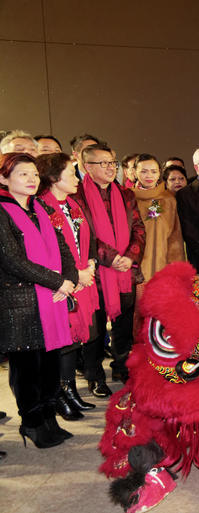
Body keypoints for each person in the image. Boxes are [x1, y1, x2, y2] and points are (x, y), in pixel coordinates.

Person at [0, 153, 77, 448]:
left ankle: (48, 416)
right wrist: (58, 281)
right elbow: (12, 260)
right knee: (27, 366)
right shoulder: (2, 212)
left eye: (34, 174)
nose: (31, 179)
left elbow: (64, 249)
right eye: (22, 174)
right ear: (4, 179)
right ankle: (31, 422)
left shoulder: (40, 209)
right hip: (19, 302)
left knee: (49, 364)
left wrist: (68, 279)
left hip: (50, 298)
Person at [71, 143, 145, 391]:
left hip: (126, 271)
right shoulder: (75, 195)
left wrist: (130, 256)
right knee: (95, 328)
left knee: (124, 326)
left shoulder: (126, 194)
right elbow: (83, 235)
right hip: (96, 273)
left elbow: (138, 229)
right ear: (85, 166)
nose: (109, 168)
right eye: (102, 163)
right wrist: (111, 257)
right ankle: (95, 376)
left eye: (112, 163)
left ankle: (122, 368)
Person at [36, 152, 100, 422]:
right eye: (71, 173)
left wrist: (92, 264)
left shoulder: (73, 205)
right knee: (63, 341)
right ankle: (61, 393)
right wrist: (77, 274)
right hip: (61, 284)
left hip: (82, 278)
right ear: (53, 178)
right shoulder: (41, 207)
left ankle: (70, 390)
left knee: (76, 341)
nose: (76, 178)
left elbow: (90, 238)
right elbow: (47, 252)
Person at [132, 154, 185, 282]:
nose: (149, 176)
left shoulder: (168, 199)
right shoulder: (128, 198)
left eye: (153, 171)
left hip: (163, 267)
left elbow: (175, 239)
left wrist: (177, 270)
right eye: (144, 171)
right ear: (134, 172)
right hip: (135, 268)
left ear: (159, 173)